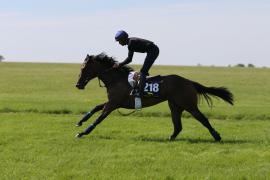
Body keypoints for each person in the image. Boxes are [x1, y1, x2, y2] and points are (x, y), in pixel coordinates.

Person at [113, 30, 159, 97]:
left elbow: (129, 59)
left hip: (153, 51)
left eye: (119, 41)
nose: (119, 43)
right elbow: (130, 59)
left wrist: (119, 64)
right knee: (144, 71)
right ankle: (145, 87)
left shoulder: (131, 43)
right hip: (152, 51)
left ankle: (141, 93)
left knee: (143, 72)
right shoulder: (130, 42)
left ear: (123, 39)